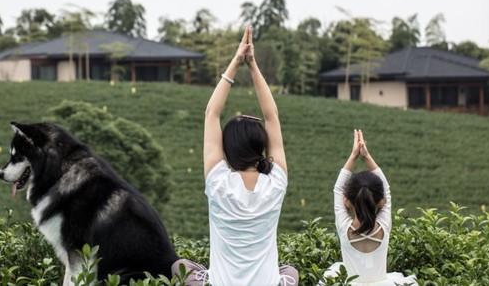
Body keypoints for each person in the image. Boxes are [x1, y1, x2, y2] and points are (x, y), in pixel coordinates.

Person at [172, 26, 298, 286]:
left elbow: (211, 114)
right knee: (289, 272)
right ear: (261, 147)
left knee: (179, 266)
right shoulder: (276, 182)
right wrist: (253, 66)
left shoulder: (218, 181)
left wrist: (237, 60)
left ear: (226, 150)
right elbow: (272, 116)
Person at [322, 129, 417, 285]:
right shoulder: (384, 227)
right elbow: (386, 189)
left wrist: (354, 155)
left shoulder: (344, 229)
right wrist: (366, 156)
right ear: (382, 202)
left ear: (347, 202)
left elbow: (338, 189)